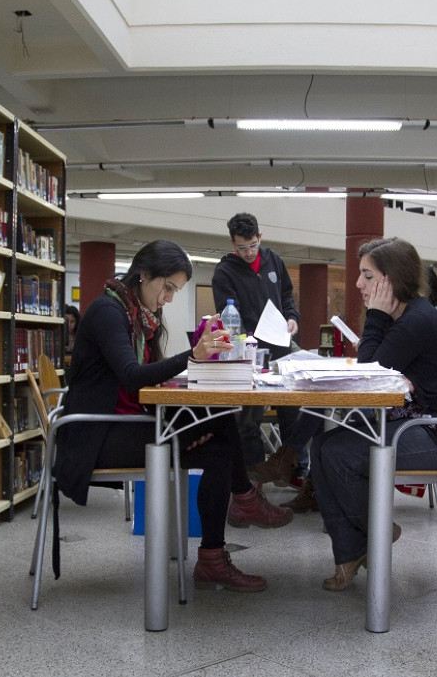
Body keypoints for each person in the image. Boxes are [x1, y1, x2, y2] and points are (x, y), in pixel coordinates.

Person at [55, 240, 292, 592]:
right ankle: (239, 509)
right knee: (220, 436)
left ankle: (220, 544)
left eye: (175, 291)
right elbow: (133, 375)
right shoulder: (109, 311)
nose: (168, 298)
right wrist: (192, 357)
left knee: (220, 428)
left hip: (128, 422)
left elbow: (147, 379)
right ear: (144, 274)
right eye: (167, 288)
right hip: (98, 435)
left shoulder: (140, 317)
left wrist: (194, 361)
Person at [311, 237, 437, 591]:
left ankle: (374, 533)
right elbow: (379, 371)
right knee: (321, 445)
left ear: (392, 279)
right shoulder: (404, 316)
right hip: (417, 421)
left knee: (339, 454)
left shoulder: (416, 320)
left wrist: (374, 316)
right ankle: (353, 551)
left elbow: (371, 375)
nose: (358, 284)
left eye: (367, 276)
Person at [211, 212, 308, 485]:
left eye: (252, 245)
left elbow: (287, 295)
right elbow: (229, 316)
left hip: (281, 344)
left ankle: (294, 470)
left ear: (260, 237)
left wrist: (292, 318)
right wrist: (246, 338)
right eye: (241, 247)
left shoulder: (273, 259)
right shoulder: (225, 272)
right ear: (232, 243)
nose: (248, 252)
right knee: (248, 417)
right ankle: (253, 476)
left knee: (294, 410)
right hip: (250, 350)